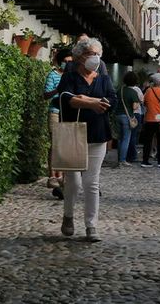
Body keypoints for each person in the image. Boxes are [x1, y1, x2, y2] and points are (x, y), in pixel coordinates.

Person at [56, 38, 117, 242]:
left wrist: (84, 99)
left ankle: (91, 225)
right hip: (73, 133)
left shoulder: (104, 79)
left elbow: (112, 101)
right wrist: (91, 103)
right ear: (81, 56)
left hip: (97, 134)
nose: (96, 58)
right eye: (92, 53)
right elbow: (65, 98)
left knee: (92, 182)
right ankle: (68, 215)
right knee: (73, 181)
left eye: (98, 54)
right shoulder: (70, 76)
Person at [43, 49, 73, 199]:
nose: (67, 64)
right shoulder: (53, 75)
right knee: (55, 144)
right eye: (65, 61)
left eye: (70, 62)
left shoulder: (73, 77)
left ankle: (63, 177)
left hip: (69, 113)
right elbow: (45, 94)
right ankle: (53, 176)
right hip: (55, 112)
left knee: (66, 146)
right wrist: (58, 89)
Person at [139, 73, 160, 167]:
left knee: (148, 140)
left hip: (150, 117)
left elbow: (144, 103)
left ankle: (145, 160)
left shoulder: (149, 91)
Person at [116, 71, 142, 167]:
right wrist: (139, 102)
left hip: (117, 115)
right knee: (126, 139)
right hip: (127, 117)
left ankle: (119, 159)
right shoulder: (133, 92)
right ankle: (123, 160)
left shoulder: (120, 90)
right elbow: (135, 107)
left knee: (120, 138)